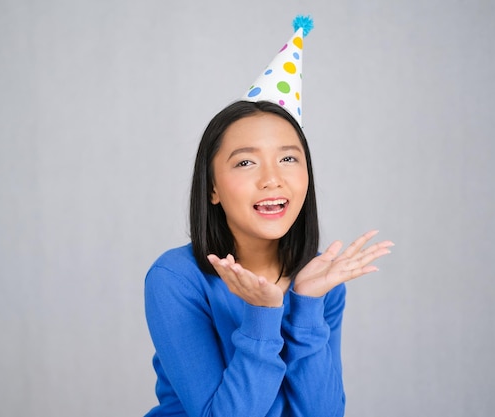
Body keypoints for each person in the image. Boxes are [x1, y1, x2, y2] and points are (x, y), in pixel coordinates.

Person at [144, 17, 393, 417]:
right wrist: (262, 316)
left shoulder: (320, 281)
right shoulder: (176, 278)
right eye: (245, 162)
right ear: (212, 188)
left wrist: (307, 304)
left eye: (288, 158)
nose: (272, 179)